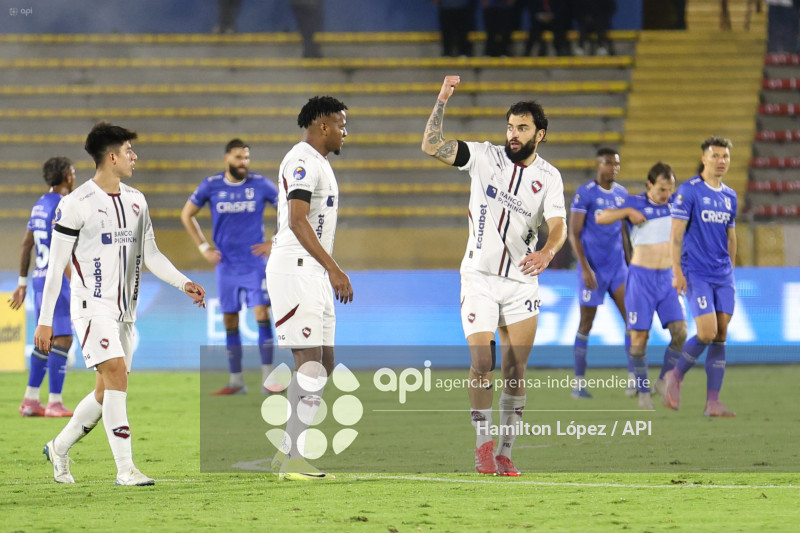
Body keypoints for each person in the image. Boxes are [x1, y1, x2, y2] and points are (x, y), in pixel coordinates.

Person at [34, 122, 206, 486]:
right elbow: (54, 270)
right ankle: (126, 469)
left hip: (124, 312)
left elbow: (152, 254)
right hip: (90, 308)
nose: (134, 156)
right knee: (115, 375)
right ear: (111, 157)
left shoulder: (136, 200)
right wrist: (44, 320)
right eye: (129, 150)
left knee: (106, 390)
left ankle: (59, 447)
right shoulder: (74, 205)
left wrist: (183, 282)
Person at [422, 76, 568, 476]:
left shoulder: (549, 178)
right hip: (479, 277)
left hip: (521, 281)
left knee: (515, 368)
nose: (513, 134)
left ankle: (505, 451)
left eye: (522, 128)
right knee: (482, 359)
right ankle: (482, 445)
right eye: (510, 126)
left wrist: (547, 251)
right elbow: (432, 145)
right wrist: (442, 100)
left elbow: (559, 226)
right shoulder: (485, 156)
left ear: (540, 134)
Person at [267, 96, 352, 480]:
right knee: (311, 362)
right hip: (297, 269)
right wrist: (334, 268)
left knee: (325, 363)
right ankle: (296, 460)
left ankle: (287, 449)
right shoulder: (301, 160)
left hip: (313, 273)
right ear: (322, 125)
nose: (344, 131)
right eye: (341, 123)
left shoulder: (320, 164)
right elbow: (298, 220)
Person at [181, 139, 279, 396]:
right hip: (226, 265)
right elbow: (186, 214)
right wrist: (204, 247)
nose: (243, 163)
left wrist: (275, 241)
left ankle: (268, 380)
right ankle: (236, 381)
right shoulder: (211, 186)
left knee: (262, 315)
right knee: (230, 318)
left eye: (246, 157)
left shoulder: (260, 184)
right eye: (238, 158)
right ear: (227, 159)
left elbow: (290, 210)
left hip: (255, 264)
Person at [595, 162, 688, 410]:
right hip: (640, 279)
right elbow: (600, 217)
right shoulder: (634, 202)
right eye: (661, 189)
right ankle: (643, 390)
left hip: (667, 279)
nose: (666, 195)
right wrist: (625, 213)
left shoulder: (675, 205)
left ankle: (662, 381)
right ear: (649, 185)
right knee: (639, 338)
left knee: (681, 332)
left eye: (670, 189)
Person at [663, 136, 738, 417]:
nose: (721, 161)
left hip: (723, 275)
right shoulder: (689, 191)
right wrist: (677, 272)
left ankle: (713, 402)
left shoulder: (730, 195)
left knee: (721, 334)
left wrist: (730, 269)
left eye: (725, 157)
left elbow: (732, 236)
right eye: (715, 156)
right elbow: (676, 235)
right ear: (704, 158)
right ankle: (675, 376)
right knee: (707, 331)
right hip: (696, 272)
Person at [11, 157, 76, 418]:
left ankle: (30, 400)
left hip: (39, 278)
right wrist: (77, 283)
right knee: (64, 338)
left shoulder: (39, 204)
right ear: (66, 176)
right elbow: (63, 249)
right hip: (56, 279)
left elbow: (27, 244)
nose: (74, 176)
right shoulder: (63, 205)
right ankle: (55, 402)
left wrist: (22, 283)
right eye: (72, 172)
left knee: (44, 339)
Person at [568, 147, 632, 399]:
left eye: (617, 164)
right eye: (609, 163)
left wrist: (631, 263)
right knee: (586, 324)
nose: (614, 168)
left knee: (633, 319)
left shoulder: (622, 194)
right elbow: (574, 233)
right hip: (593, 270)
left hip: (618, 268)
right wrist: (584, 267)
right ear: (599, 165)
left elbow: (623, 232)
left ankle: (634, 379)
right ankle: (579, 383)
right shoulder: (585, 194)